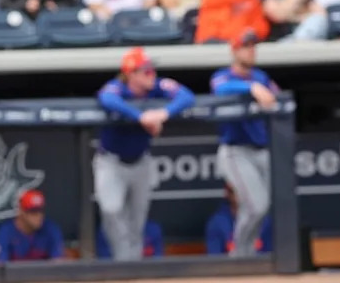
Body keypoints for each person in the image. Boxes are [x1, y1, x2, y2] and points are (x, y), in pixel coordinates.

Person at [95, 47, 195, 261]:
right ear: (131, 74)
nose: (152, 75)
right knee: (111, 210)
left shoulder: (156, 88)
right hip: (111, 162)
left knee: (137, 221)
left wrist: (164, 113)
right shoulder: (117, 87)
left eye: (152, 70)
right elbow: (106, 99)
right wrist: (140, 117)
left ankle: (134, 265)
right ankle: (123, 262)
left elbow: (187, 96)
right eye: (146, 71)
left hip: (141, 161)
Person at [210, 29, 280, 258]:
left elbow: (276, 95)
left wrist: (262, 88)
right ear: (234, 50)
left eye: (253, 46)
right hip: (236, 150)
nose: (251, 51)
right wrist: (251, 88)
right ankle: (239, 255)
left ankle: (246, 254)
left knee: (263, 207)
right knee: (256, 205)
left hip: (261, 149)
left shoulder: (261, 76)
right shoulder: (223, 76)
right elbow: (219, 88)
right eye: (246, 46)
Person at [0, 189, 65, 261]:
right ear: (21, 211)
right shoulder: (5, 232)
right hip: (14, 274)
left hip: (43, 274)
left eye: (40, 211)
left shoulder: (51, 229)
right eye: (33, 211)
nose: (39, 216)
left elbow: (57, 264)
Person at [205, 182, 273, 255]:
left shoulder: (265, 221)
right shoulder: (216, 223)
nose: (240, 196)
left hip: (260, 265)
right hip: (229, 266)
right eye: (235, 191)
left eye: (244, 192)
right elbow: (215, 260)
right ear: (227, 194)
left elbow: (272, 257)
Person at [96, 220, 164, 258]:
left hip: (147, 273)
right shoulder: (106, 231)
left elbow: (157, 258)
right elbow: (105, 261)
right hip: (116, 273)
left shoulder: (153, 229)